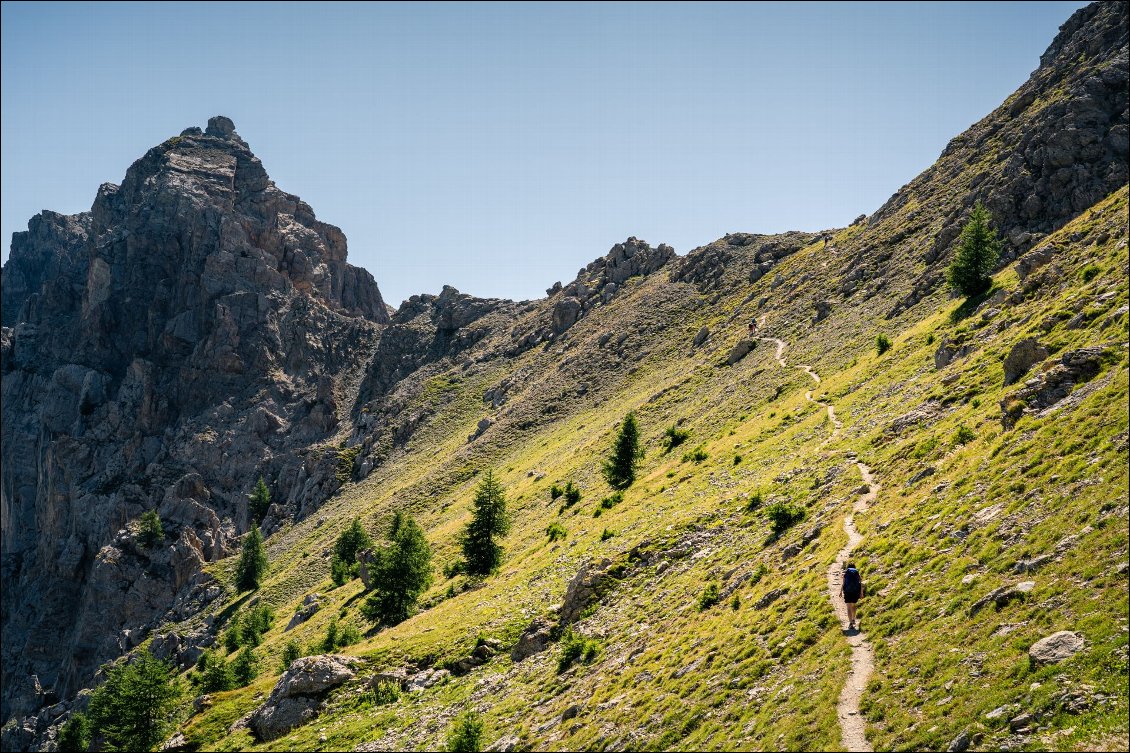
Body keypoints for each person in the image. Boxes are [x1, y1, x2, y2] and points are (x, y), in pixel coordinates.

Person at [841, 561, 863, 629]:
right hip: (855, 592)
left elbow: (843, 583)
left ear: (848, 567)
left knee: (848, 607)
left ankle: (850, 623)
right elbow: (860, 583)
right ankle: (853, 619)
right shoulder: (857, 573)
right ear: (854, 567)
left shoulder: (846, 573)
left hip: (847, 592)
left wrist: (840, 591)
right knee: (853, 605)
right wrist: (861, 593)